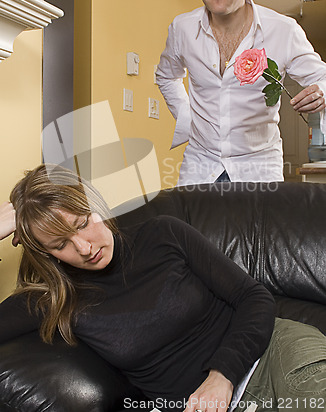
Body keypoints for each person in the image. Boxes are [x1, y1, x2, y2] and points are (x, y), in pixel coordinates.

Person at [0, 164, 326, 412]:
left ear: (94, 204)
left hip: (269, 357)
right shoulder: (55, 299)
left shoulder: (162, 234)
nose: (84, 247)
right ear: (46, 253)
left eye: (83, 223)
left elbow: (254, 297)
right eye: (60, 244)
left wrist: (220, 377)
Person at [156, 0, 326, 185]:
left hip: (259, 167)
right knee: (190, 227)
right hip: (200, 165)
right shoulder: (181, 28)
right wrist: (186, 117)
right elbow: (166, 76)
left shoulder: (283, 30)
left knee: (260, 228)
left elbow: (322, 78)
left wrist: (321, 92)